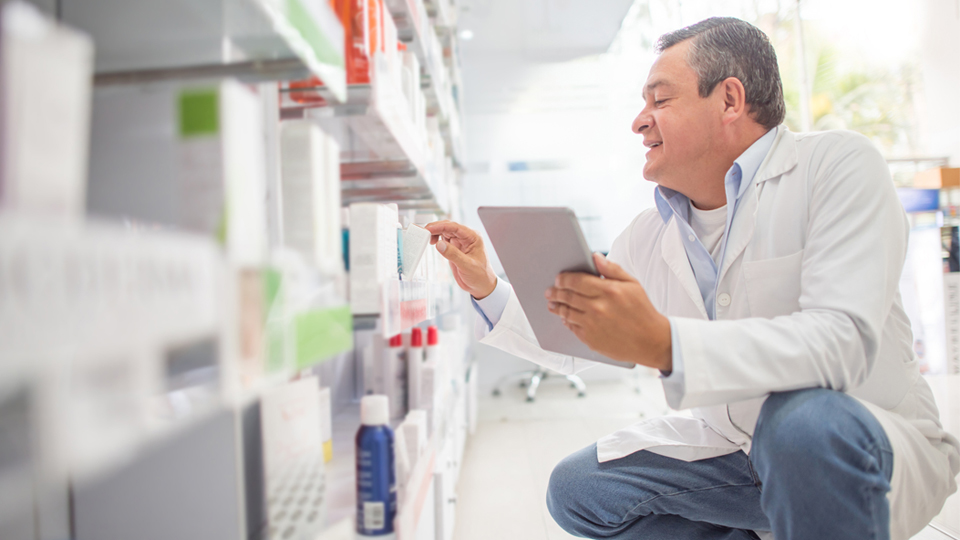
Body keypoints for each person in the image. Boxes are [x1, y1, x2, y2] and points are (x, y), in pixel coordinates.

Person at [425, 16, 960, 540]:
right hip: (735, 453)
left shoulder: (836, 167)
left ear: (730, 100)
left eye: (659, 100)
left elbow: (842, 343)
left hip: (854, 441)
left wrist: (665, 343)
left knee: (798, 423)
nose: (639, 121)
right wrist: (488, 287)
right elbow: (577, 345)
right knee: (579, 488)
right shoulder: (647, 234)